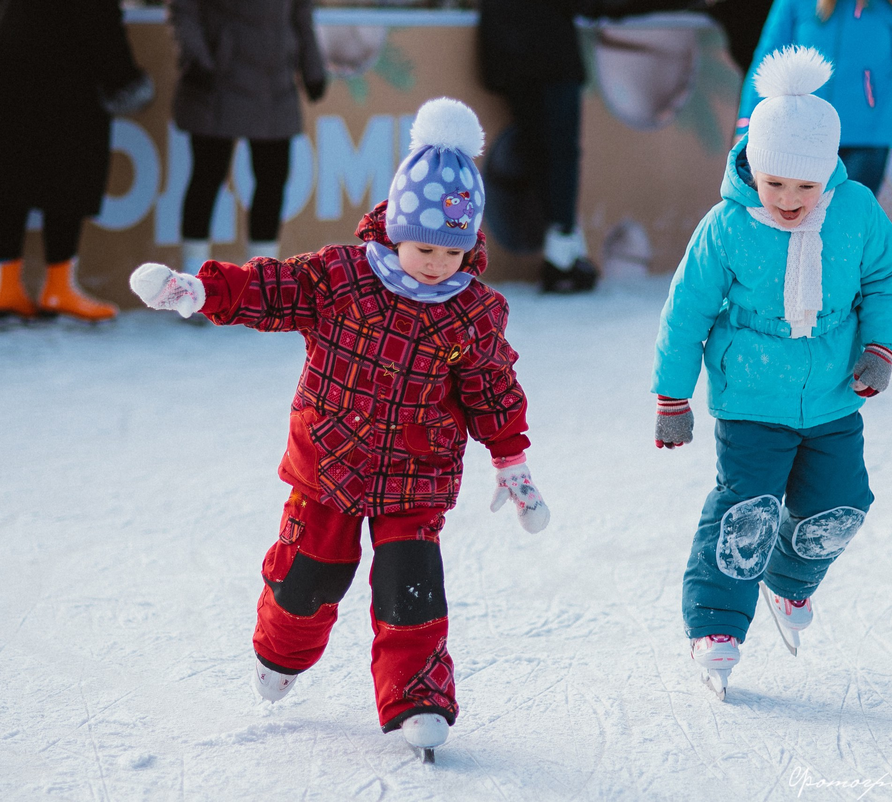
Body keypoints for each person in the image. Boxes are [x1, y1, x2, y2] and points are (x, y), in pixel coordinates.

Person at [128, 99, 551, 758]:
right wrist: (197, 291)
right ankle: (280, 655)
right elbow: (268, 289)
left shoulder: (472, 312)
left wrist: (513, 460)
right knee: (309, 578)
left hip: (416, 474)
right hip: (330, 464)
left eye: (452, 249)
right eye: (424, 247)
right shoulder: (341, 278)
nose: (437, 263)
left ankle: (417, 700)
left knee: (412, 591)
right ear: (395, 231)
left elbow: (491, 388)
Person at [652, 47, 892, 699]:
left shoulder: (854, 214)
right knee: (748, 513)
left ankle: (789, 579)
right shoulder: (727, 227)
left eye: (805, 184)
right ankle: (716, 625)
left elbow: (885, 278)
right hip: (750, 401)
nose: (790, 199)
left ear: (828, 173)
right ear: (752, 168)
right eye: (775, 183)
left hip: (831, 396)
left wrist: (879, 348)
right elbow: (686, 314)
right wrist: (673, 396)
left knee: (842, 505)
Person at [0, 0, 153, 322]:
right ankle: (58, 287)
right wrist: (126, 80)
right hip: (70, 91)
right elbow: (103, 30)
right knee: (68, 182)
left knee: (11, 182)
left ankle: (6, 285)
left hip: (12, 82)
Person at [168, 0, 326, 276]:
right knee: (207, 178)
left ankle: (263, 280)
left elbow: (301, 14)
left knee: (272, 182)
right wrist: (196, 59)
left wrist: (312, 67)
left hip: (275, 85)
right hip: (216, 83)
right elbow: (184, 11)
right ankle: (193, 280)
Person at [736, 0, 892, 195]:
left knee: (845, 230)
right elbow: (766, 63)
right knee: (801, 228)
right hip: (803, 139)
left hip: (866, 145)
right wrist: (746, 130)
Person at [478, 0, 599, 293]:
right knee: (559, 153)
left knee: (541, 151)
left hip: (511, 52)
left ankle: (564, 249)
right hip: (549, 52)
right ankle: (563, 250)